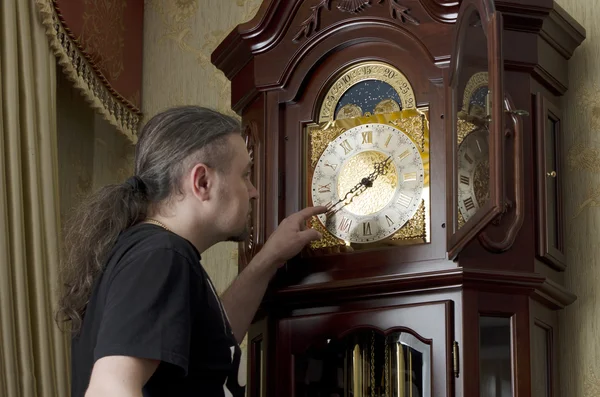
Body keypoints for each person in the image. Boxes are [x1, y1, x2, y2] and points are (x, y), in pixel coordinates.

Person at [56, 105, 326, 396]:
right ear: (202, 182)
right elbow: (109, 389)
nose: (253, 191)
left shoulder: (151, 251)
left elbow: (212, 342)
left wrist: (269, 258)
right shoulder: (161, 256)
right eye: (245, 174)